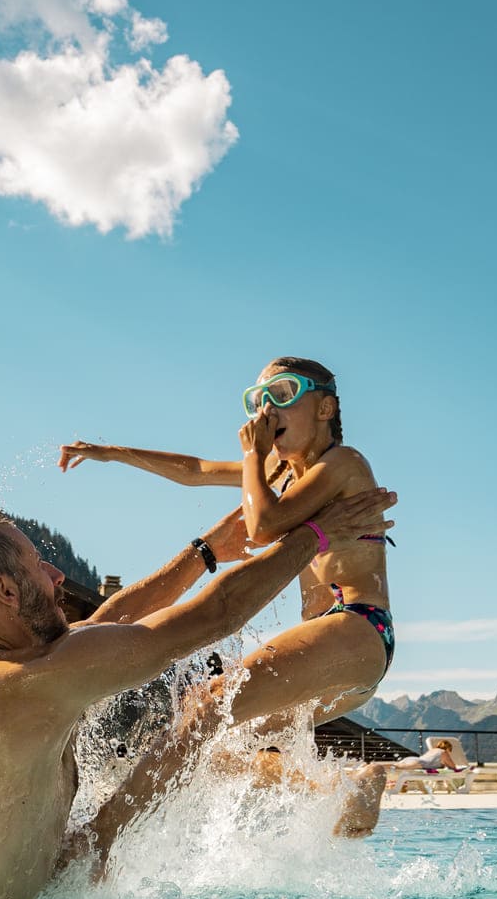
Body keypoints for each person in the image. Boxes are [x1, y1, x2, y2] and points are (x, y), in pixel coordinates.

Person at [0, 488, 397, 899]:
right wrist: (317, 534)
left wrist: (205, 552)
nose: (56, 574)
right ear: (6, 591)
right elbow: (214, 616)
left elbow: (103, 625)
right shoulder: (24, 684)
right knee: (98, 842)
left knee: (90, 846)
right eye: (36, 565)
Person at [58, 357, 393, 859]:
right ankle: (345, 795)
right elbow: (193, 470)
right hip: (339, 655)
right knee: (211, 747)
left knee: (204, 708)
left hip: (354, 627)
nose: (265, 410)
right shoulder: (280, 472)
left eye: (281, 393)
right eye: (257, 400)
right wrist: (110, 453)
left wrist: (255, 461)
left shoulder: (342, 464)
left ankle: (99, 840)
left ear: (326, 407)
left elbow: (262, 526)